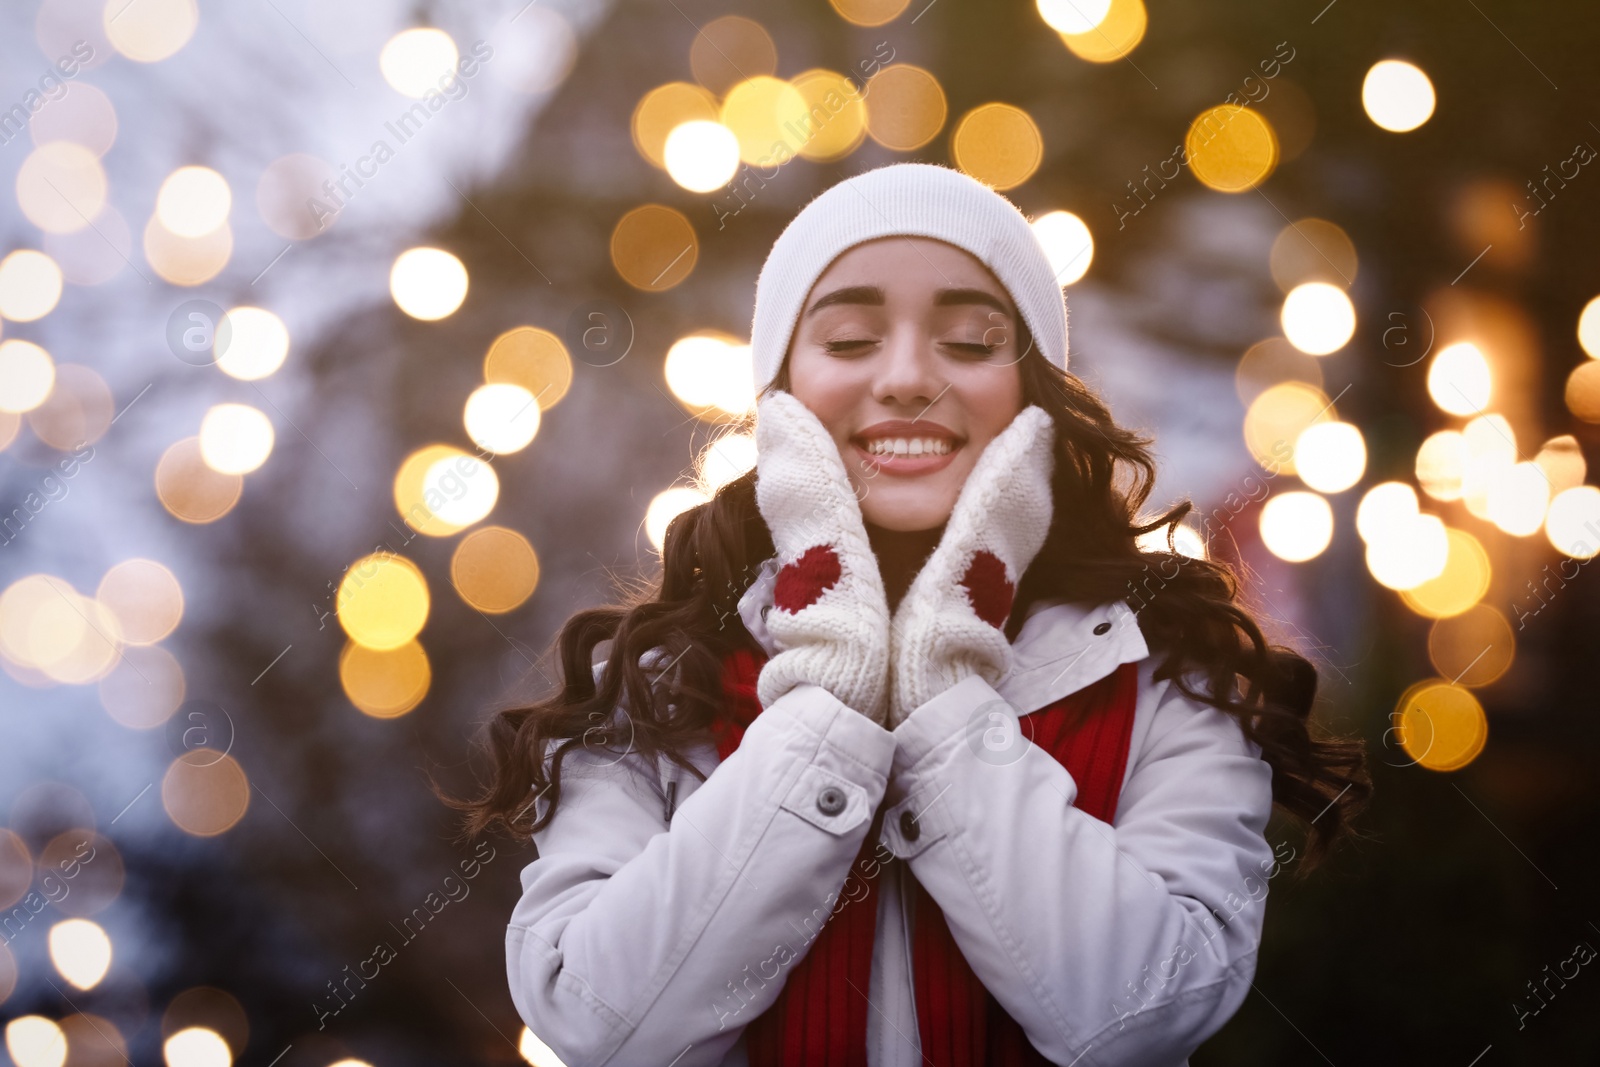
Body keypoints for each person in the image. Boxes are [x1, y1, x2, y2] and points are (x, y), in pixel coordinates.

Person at [441, 162, 1370, 1066]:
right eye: (849, 341)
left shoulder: (1169, 676)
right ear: (783, 396)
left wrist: (947, 706)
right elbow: (604, 1023)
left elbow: (1142, 1014)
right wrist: (828, 709)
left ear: (1034, 394)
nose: (908, 377)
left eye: (970, 341)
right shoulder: (653, 687)